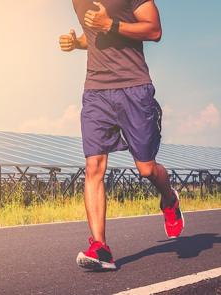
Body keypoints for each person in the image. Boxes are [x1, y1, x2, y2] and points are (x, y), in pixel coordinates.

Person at [59, 0, 184, 271]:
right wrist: (77, 43)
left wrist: (111, 24)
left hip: (134, 87)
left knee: (146, 169)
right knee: (93, 166)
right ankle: (100, 247)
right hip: (95, 91)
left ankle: (169, 199)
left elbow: (154, 30)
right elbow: (94, 36)